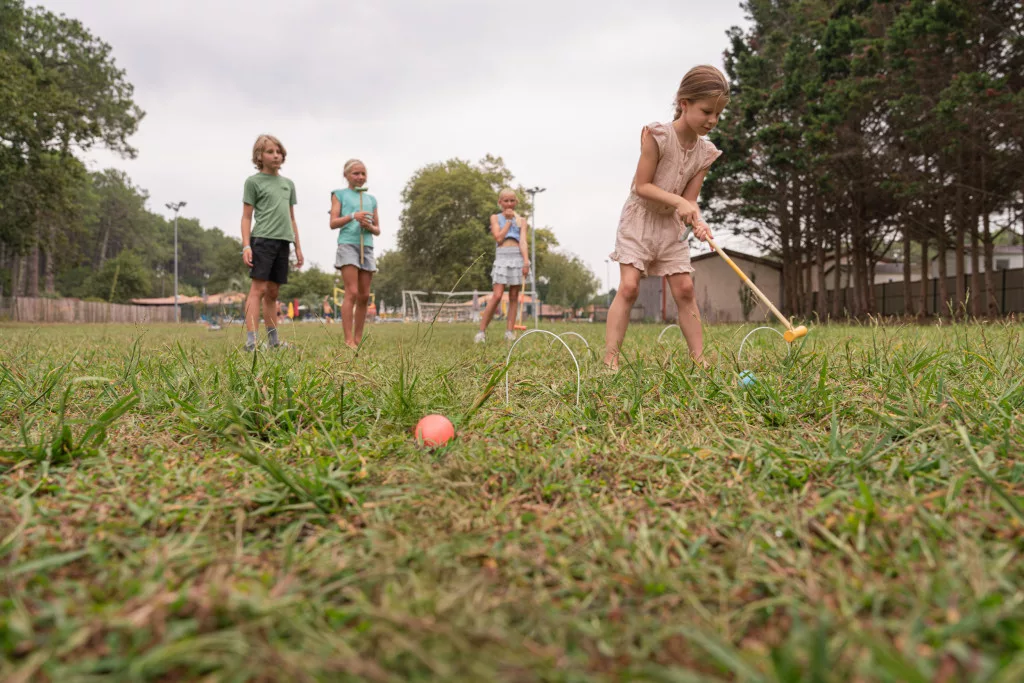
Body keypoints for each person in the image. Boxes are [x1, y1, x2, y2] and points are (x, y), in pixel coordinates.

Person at [604, 65, 728, 370]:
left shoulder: (705, 153)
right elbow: (642, 186)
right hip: (639, 220)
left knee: (685, 289)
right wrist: (679, 202)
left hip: (670, 225)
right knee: (629, 287)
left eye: (718, 114)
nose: (712, 120)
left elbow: (689, 201)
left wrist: (697, 221)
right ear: (684, 103)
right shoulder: (657, 136)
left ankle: (699, 360)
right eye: (706, 111)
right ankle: (610, 360)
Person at [241, 134, 303, 352]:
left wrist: (298, 246)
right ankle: (251, 342)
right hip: (262, 240)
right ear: (259, 156)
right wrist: (246, 245)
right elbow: (246, 217)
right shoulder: (253, 182)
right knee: (258, 289)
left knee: (273, 292)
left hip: (283, 242)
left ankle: (273, 342)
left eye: (279, 152)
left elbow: (292, 217)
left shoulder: (288, 184)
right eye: (270, 152)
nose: (276, 155)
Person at [329, 159, 380, 348]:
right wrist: (353, 216)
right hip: (348, 245)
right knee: (352, 291)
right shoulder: (339, 195)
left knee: (364, 295)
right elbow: (333, 223)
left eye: (363, 173)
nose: (360, 177)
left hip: (367, 246)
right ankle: (348, 340)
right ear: (346, 175)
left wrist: (369, 226)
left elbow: (377, 229)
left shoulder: (371, 199)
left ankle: (358, 339)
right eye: (356, 173)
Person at [475, 188, 530, 343]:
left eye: (512, 200)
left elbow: (523, 242)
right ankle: (481, 332)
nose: (509, 203)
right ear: (500, 202)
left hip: (517, 257)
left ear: (516, 202)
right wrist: (508, 221)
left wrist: (526, 261)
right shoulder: (495, 218)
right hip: (502, 257)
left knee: (514, 296)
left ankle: (509, 332)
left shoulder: (522, 221)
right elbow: (498, 238)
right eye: (506, 201)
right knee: (497, 295)